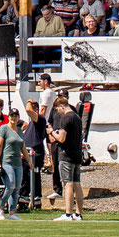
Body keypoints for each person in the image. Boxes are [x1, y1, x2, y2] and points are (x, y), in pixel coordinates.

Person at [47, 92, 85, 221]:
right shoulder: (77, 117)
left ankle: (68, 213)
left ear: (62, 106)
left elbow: (61, 139)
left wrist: (52, 132)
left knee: (67, 184)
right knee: (77, 184)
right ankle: (78, 214)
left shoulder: (65, 118)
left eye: (58, 110)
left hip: (66, 155)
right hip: (76, 155)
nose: (58, 112)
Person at [0, 112, 25, 220]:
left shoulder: (19, 130)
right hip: (6, 161)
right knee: (10, 185)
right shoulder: (3, 129)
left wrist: (29, 160)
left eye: (16, 116)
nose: (14, 118)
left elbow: (23, 147)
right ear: (9, 117)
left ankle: (12, 212)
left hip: (18, 163)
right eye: (12, 116)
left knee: (16, 188)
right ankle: (0, 207)